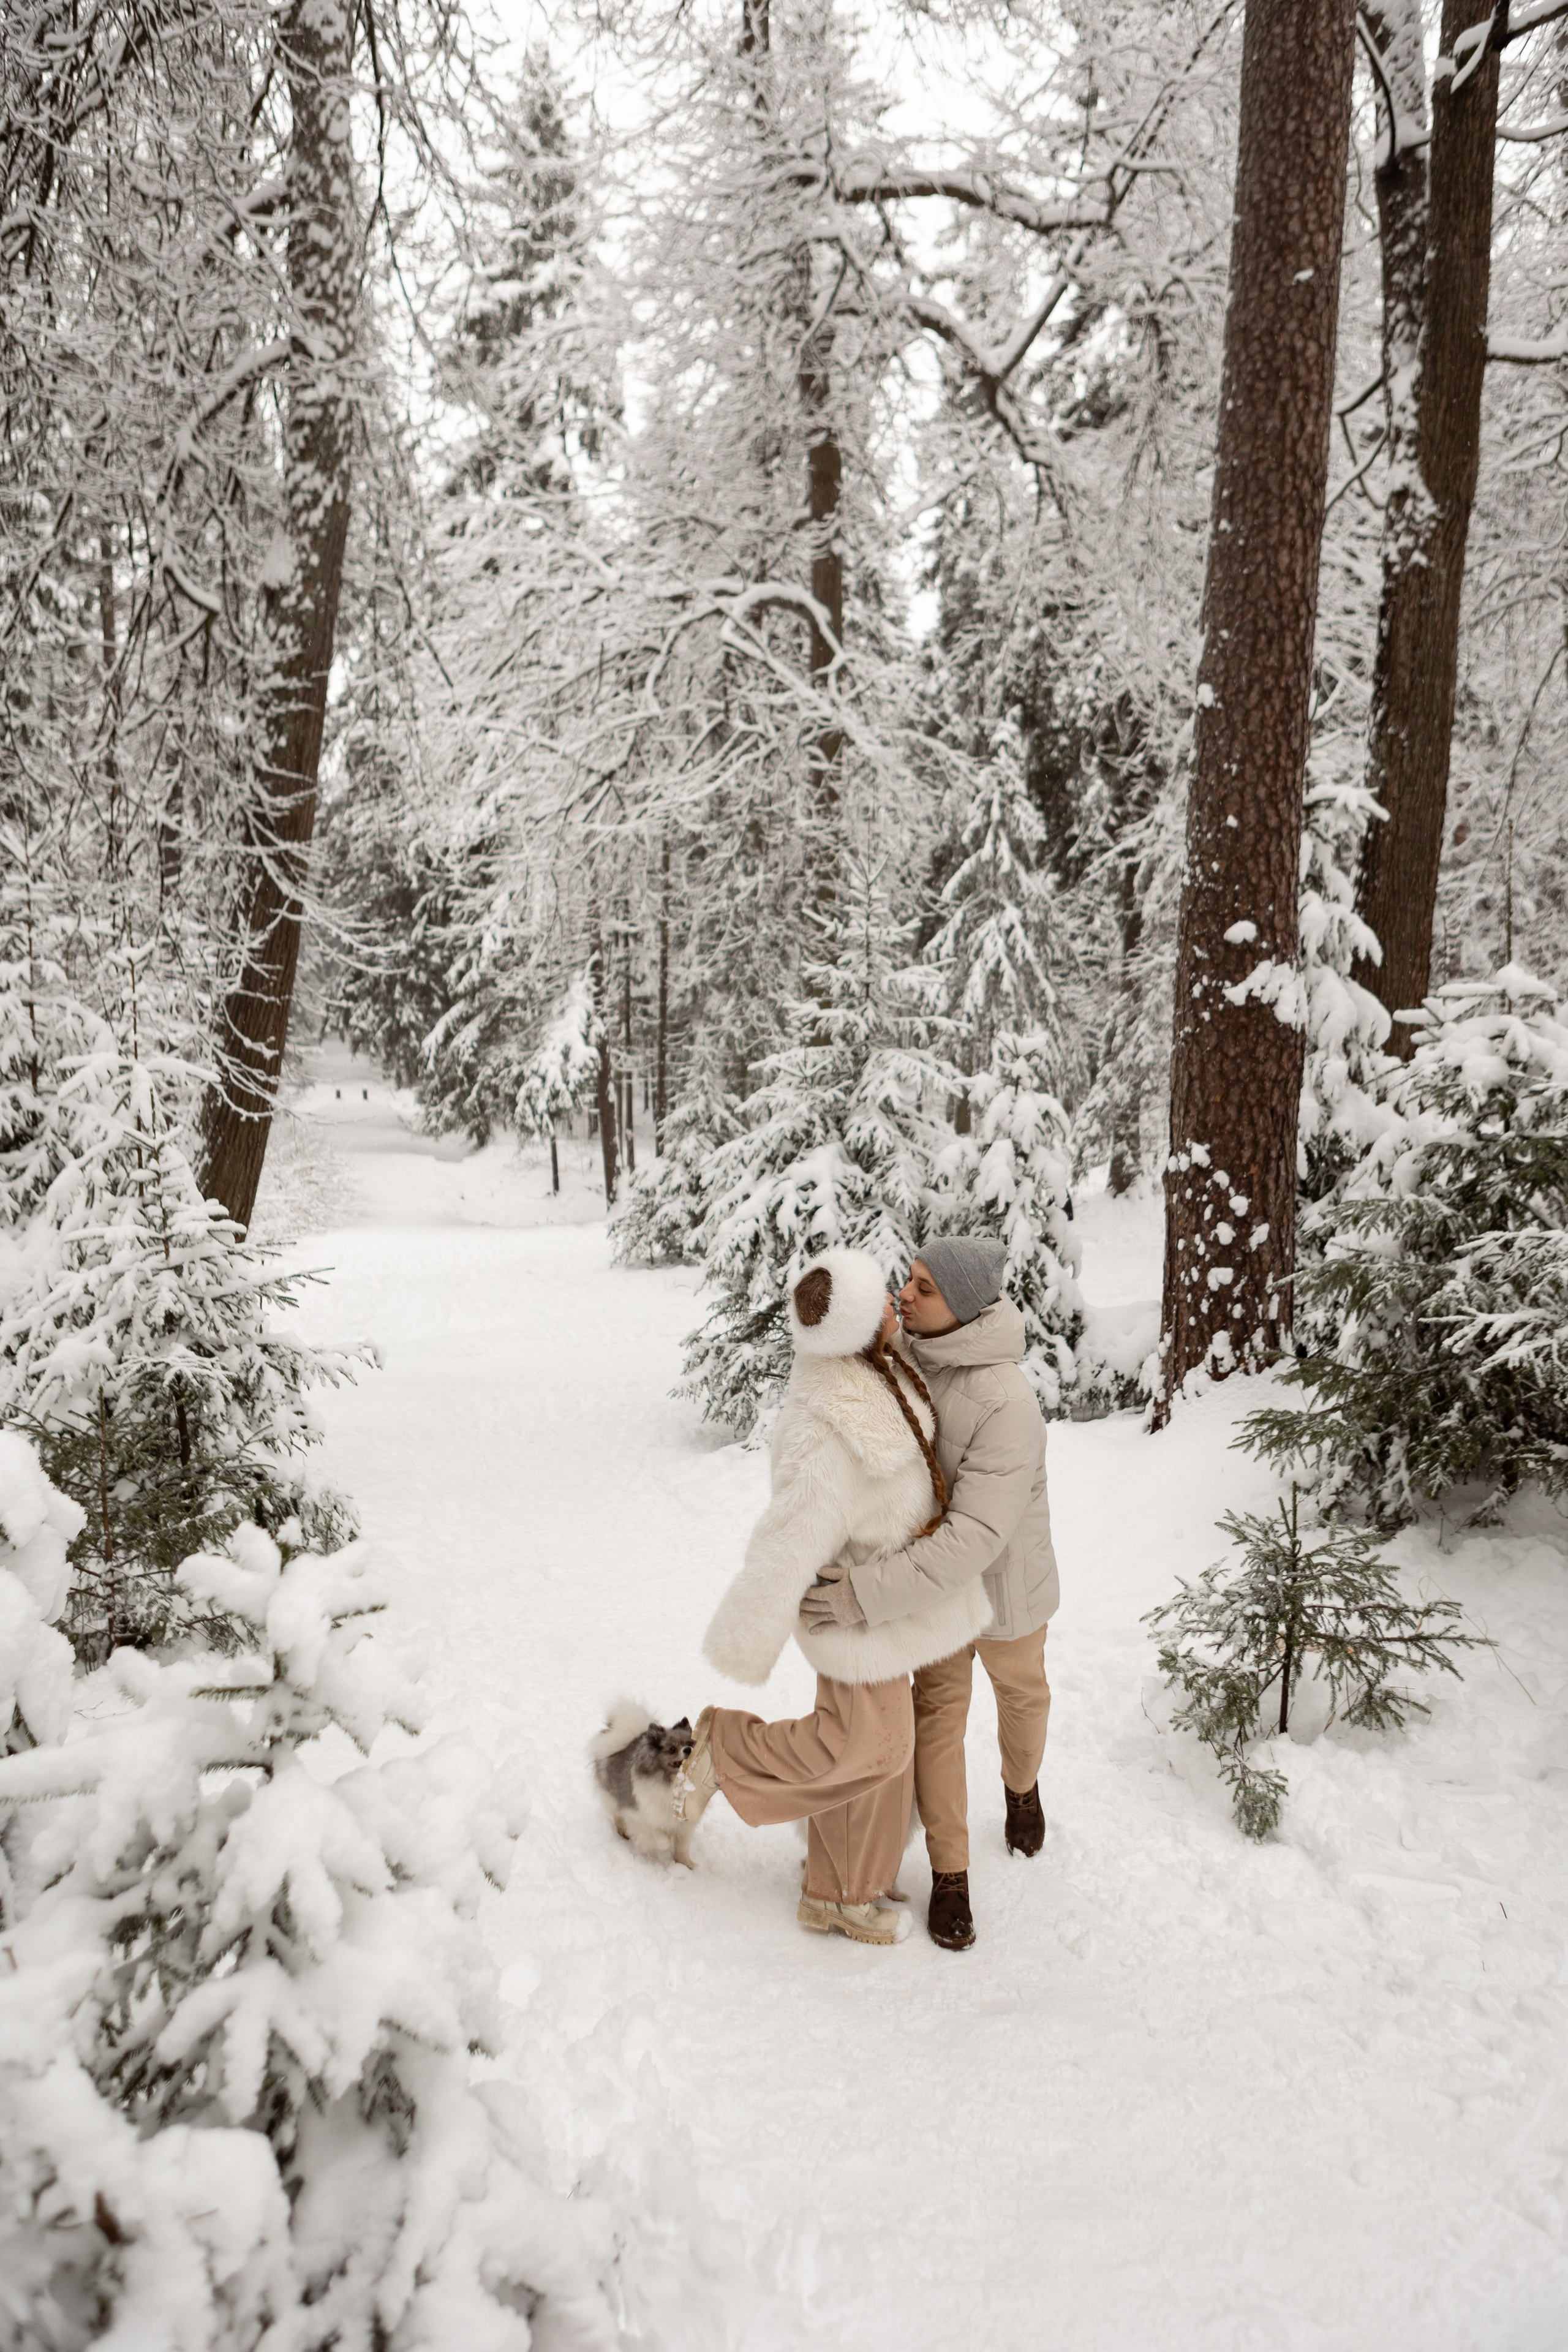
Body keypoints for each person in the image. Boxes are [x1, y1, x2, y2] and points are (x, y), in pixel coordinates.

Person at [682, 1245, 992, 1946]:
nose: (895, 1306)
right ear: (851, 1323)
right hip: (844, 1603)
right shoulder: (825, 1419)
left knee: (887, 1757)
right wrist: (751, 1628)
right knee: (869, 1748)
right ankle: (722, 1749)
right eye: (882, 1300)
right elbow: (788, 1534)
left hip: (887, 1598)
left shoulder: (874, 1370)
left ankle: (840, 1893)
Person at [799, 1237, 1057, 1953]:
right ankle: (951, 1875)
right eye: (907, 1281)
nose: (905, 1295)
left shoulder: (1007, 1402)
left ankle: (1022, 1787)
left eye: (924, 1288)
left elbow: (975, 1538)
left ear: (966, 1309)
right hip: (934, 1596)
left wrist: (861, 1596)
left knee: (1022, 1697)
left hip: (1004, 1592)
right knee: (937, 1722)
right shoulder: (911, 1357)